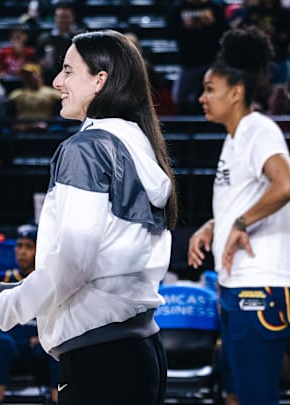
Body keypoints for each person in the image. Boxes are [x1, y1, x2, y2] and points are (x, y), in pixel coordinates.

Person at [0, 30, 178, 405]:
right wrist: (3, 291)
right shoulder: (138, 143)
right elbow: (99, 271)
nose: (57, 81)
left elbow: (72, 268)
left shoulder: (86, 149)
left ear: (100, 80)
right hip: (139, 352)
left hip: (100, 361)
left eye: (68, 70)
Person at [186, 27, 290, 405]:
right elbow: (250, 196)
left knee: (257, 398)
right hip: (236, 287)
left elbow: (285, 185)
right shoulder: (234, 139)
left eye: (210, 89)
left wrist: (242, 224)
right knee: (239, 395)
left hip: (259, 287)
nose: (201, 98)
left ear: (236, 92)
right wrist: (215, 225)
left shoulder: (257, 129)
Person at [0, 224, 59, 405]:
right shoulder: (3, 277)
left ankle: (57, 400)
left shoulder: (50, 280)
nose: (22, 251)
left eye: (28, 247)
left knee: (53, 349)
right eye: (19, 246)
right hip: (10, 345)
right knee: (1, 342)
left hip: (37, 348)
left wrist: (46, 338)